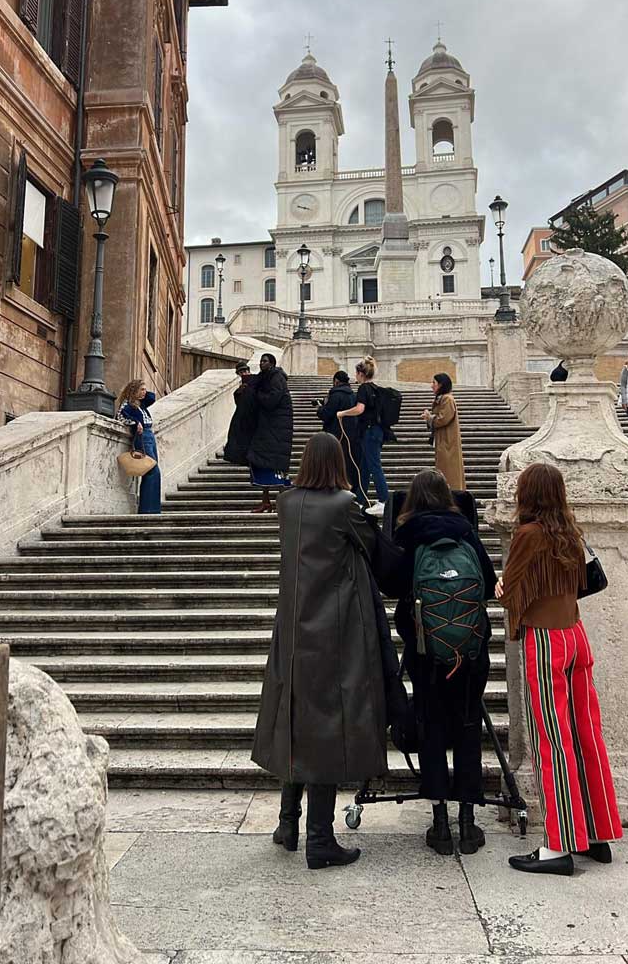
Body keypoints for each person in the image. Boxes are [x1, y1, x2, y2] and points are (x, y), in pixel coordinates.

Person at [252, 432, 391, 869]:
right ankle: (320, 838)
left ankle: (287, 824)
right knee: (327, 727)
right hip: (332, 629)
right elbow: (372, 547)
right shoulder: (343, 505)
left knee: (294, 721)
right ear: (337, 463)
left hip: (293, 628)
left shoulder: (286, 503)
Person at [495, 462, 622, 876]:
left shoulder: (528, 534)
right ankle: (597, 833)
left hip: (546, 640)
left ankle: (558, 844)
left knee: (552, 741)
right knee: (587, 735)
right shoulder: (569, 530)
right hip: (575, 636)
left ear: (528, 494)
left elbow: (511, 593)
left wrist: (500, 586)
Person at [372, 468, 496, 856]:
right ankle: (468, 823)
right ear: (448, 497)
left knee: (431, 727)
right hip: (470, 652)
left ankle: (440, 823)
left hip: (426, 651)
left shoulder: (408, 535)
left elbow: (392, 586)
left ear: (412, 499)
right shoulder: (466, 532)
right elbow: (489, 584)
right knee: (468, 725)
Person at [337, 356, 388, 517]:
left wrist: (343, 413)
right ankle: (360, 500)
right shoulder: (376, 389)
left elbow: (360, 409)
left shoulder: (364, 389)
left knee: (374, 466)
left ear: (361, 374)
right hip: (377, 431)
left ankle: (384, 501)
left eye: (356, 373)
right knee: (364, 467)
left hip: (369, 431)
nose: (355, 376)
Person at [246, 353, 294, 513]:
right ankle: (266, 502)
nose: (261, 363)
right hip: (266, 429)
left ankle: (285, 505)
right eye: (261, 361)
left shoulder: (277, 378)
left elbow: (271, 400)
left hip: (277, 430)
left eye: (265, 361)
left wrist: (256, 393)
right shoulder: (264, 378)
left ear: (272, 363)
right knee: (262, 464)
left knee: (277, 468)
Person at [116, 379, 161, 514]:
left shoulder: (142, 404)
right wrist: (136, 423)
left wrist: (142, 393)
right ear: (134, 390)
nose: (144, 392)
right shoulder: (129, 404)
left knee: (153, 470)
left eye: (145, 389)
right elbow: (120, 416)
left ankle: (152, 509)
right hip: (142, 437)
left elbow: (152, 397)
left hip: (150, 436)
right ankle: (148, 509)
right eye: (141, 389)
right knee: (152, 470)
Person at [315, 370, 359, 490]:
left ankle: (333, 486)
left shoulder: (335, 395)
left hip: (335, 435)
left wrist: (320, 408)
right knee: (348, 462)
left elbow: (326, 414)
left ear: (336, 381)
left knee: (333, 462)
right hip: (351, 436)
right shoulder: (353, 395)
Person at [422, 373, 465, 491]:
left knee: (449, 472)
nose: (432, 386)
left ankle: (452, 494)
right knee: (444, 470)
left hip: (447, 442)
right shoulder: (443, 399)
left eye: (434, 383)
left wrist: (429, 418)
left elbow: (443, 419)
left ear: (441, 385)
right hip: (444, 441)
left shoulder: (447, 399)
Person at [223, 361, 257, 465]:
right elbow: (239, 403)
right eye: (241, 372)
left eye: (245, 371)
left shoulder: (256, 381)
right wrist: (239, 392)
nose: (244, 374)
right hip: (243, 418)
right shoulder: (240, 388)